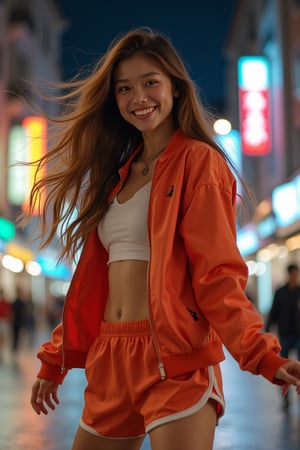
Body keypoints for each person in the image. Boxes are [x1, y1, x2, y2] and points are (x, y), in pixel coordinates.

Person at [21, 27, 300, 450]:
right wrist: (55, 359)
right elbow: (93, 287)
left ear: (175, 87)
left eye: (150, 82)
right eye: (125, 89)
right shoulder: (117, 177)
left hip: (173, 359)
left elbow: (217, 274)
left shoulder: (199, 162)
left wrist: (261, 353)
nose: (139, 97)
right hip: (110, 358)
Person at [266, 263, 300, 408]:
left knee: (298, 367)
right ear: (289, 274)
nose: (295, 276)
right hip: (285, 335)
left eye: (297, 274)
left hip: (299, 335)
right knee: (285, 367)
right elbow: (274, 311)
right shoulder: (280, 292)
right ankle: (285, 396)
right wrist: (267, 330)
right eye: (293, 274)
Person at [11, 286, 26, 352]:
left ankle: (16, 344)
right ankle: (15, 344)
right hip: (16, 320)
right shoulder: (16, 302)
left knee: (17, 333)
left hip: (19, 320)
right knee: (15, 333)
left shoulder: (20, 302)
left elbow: (24, 312)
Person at [0, 288, 11, 359]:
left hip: (4, 321)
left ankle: (2, 349)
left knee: (3, 336)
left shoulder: (5, 302)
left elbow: (8, 312)